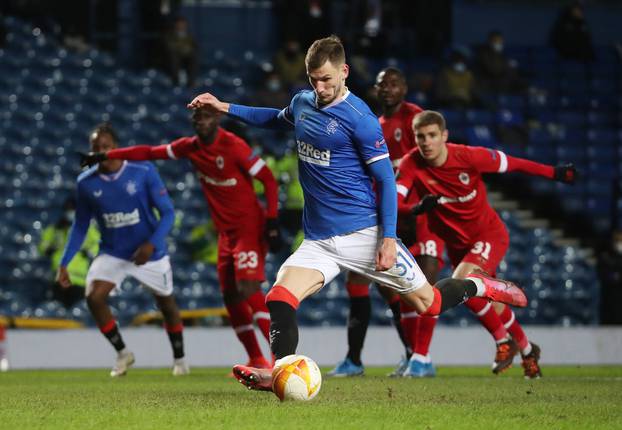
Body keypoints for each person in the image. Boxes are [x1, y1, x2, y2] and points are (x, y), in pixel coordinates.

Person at [187, 36, 528, 392]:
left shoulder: (360, 119)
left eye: (327, 80)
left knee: (431, 304)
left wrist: (390, 239)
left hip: (363, 235)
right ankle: (279, 373)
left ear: (344, 72)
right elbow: (275, 118)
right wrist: (223, 106)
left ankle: (481, 284)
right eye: (313, 79)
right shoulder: (304, 102)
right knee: (279, 297)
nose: (320, 88)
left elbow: (384, 180)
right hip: (319, 240)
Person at [79, 109, 282, 371]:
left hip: (249, 229)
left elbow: (268, 179)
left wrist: (273, 221)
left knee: (249, 290)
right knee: (231, 297)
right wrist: (107, 155)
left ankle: (282, 357)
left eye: (207, 117)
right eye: (197, 119)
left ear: (217, 119)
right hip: (226, 234)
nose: (202, 122)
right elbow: (149, 152)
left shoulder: (234, 145)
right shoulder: (190, 147)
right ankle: (256, 358)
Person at [396, 110, 577, 379]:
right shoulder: (411, 163)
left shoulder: (468, 156)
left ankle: (504, 342)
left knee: (461, 284)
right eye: (420, 137)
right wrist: (415, 208)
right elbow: (396, 202)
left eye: (432, 135)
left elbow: (512, 163)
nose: (426, 142)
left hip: (488, 235)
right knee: (486, 299)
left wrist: (554, 173)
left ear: (444, 136)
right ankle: (528, 352)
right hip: (458, 245)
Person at [327, 67, 443, 378]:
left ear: (404, 87)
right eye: (383, 85)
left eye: (394, 83)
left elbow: (432, 160)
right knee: (361, 283)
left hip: (416, 215)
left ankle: (417, 355)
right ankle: (355, 359)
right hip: (381, 215)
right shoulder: (374, 124)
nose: (388, 89)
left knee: (411, 289)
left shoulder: (415, 119)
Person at [59, 123, 189, 377]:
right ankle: (123, 353)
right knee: (94, 296)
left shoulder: (142, 170)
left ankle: (180, 360)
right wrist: (65, 262)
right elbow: (81, 225)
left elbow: (168, 213)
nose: (101, 152)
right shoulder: (86, 182)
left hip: (149, 252)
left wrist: (151, 244)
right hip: (113, 252)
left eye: (106, 147)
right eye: (96, 148)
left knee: (167, 305)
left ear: (117, 148)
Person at [38, 197, 100, 308]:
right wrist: (49, 249)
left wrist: (89, 252)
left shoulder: (87, 229)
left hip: (78, 279)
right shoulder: (55, 229)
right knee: (57, 310)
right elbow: (42, 246)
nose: (70, 212)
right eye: (68, 209)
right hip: (59, 278)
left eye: (72, 209)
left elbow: (98, 244)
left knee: (77, 309)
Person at [474, 31, 525, 95]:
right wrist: (507, 65)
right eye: (496, 41)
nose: (499, 43)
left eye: (500, 41)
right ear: (490, 41)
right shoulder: (483, 53)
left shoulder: (501, 54)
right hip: (487, 85)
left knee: (517, 79)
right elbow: (494, 70)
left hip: (500, 83)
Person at [163, 16, 198, 87]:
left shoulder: (189, 36)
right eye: (180, 24)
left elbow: (194, 46)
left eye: (183, 24)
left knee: (193, 57)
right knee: (174, 57)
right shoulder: (169, 35)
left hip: (187, 57)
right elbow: (169, 46)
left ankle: (191, 82)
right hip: (175, 56)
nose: (182, 26)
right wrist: (182, 49)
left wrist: (188, 50)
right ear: (176, 25)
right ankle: (175, 82)